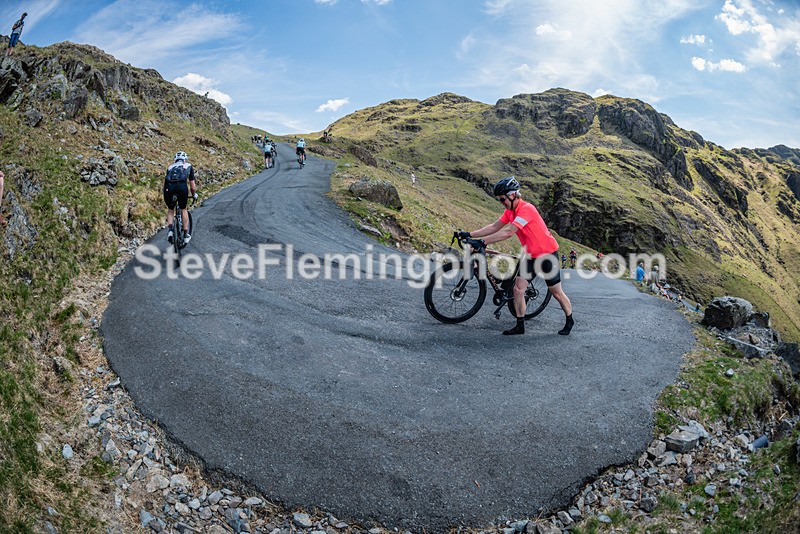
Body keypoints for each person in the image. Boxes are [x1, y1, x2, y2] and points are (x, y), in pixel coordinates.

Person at [459, 176, 574, 336]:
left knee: (556, 293)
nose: (501, 202)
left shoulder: (527, 209)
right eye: (500, 200)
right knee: (518, 290)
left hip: (547, 255)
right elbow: (494, 226)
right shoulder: (510, 212)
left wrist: (483, 242)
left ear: (512, 195)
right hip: (530, 256)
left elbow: (507, 232)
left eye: (502, 199)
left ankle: (569, 319)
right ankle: (520, 326)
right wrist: (470, 234)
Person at [164, 151, 197, 244]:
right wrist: (194, 194)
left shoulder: (170, 167)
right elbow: (192, 186)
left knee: (170, 209)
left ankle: (170, 230)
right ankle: (186, 234)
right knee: (183, 209)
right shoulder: (188, 166)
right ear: (185, 159)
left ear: (175, 160)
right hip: (181, 187)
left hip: (168, 189)